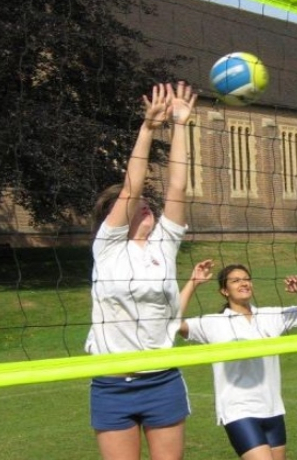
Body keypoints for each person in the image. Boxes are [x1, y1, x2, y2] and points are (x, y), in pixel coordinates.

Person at [85, 81, 198, 460]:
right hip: (112, 383)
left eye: (149, 203)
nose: (145, 204)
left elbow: (177, 188)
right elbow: (131, 189)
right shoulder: (107, 247)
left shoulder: (163, 245)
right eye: (138, 205)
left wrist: (180, 124)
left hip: (161, 380)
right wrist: (148, 128)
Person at [178, 263, 297, 460]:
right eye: (236, 281)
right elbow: (174, 322)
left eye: (246, 279)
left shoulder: (269, 316)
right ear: (224, 291)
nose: (243, 283)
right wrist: (193, 283)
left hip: (272, 408)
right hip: (238, 411)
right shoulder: (213, 323)